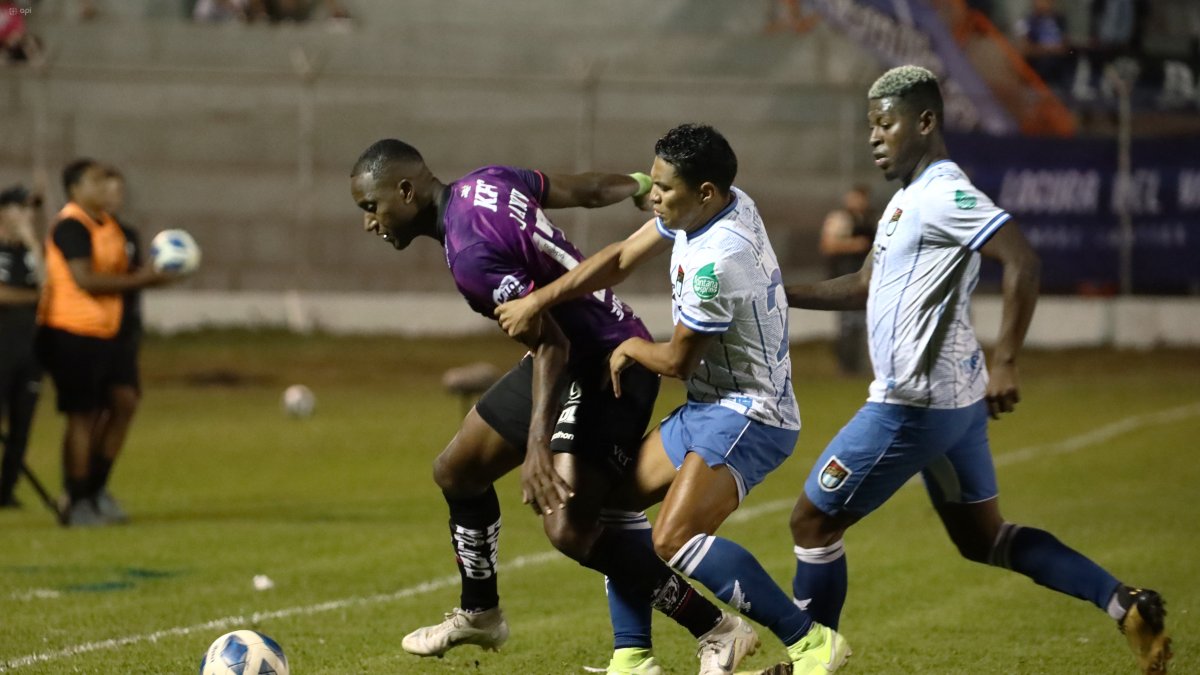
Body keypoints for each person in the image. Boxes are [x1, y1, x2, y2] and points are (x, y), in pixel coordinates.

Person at [781, 65, 1171, 675]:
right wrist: (780, 294)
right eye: (870, 126)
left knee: (811, 520)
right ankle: (1122, 602)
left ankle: (811, 656)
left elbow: (1023, 259)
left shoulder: (942, 193)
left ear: (926, 121)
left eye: (886, 123)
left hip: (911, 406)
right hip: (955, 405)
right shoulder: (905, 200)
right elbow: (864, 285)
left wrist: (1007, 359)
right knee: (983, 539)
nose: (874, 137)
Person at [349, 139, 758, 675]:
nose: (369, 223)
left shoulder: (471, 255)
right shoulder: (486, 181)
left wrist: (537, 446)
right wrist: (638, 184)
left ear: (405, 191)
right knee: (458, 471)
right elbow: (586, 190)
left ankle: (717, 627)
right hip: (574, 350)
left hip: (609, 363)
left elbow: (552, 346)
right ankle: (481, 612)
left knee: (569, 528)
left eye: (370, 207)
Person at [496, 123, 848, 675]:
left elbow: (678, 363)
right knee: (609, 511)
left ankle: (811, 643)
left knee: (674, 538)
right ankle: (633, 656)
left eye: (664, 187)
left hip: (750, 412)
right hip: (712, 407)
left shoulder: (718, 263)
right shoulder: (716, 206)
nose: (651, 196)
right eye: (653, 182)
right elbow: (618, 258)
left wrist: (632, 346)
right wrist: (541, 299)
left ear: (705, 192)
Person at [36, 158, 180, 527]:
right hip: (71, 333)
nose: (108, 189)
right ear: (76, 189)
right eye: (97, 183)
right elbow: (85, 280)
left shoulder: (111, 227)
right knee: (83, 416)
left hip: (108, 334)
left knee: (124, 402)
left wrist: (155, 274)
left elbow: (118, 275)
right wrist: (145, 280)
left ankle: (96, 489)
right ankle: (78, 497)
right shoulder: (71, 225)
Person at [0, 184, 42, 508]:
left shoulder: (32, 251)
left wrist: (32, 243)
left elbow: (53, 285)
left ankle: (6, 490)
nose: (29, 216)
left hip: (30, 348)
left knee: (22, 422)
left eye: (32, 209)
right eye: (21, 208)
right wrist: (38, 298)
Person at [818, 184, 875, 377]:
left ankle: (862, 366)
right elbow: (828, 245)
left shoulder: (870, 218)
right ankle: (846, 367)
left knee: (865, 324)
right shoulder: (841, 218)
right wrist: (854, 245)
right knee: (848, 325)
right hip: (845, 276)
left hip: (867, 277)